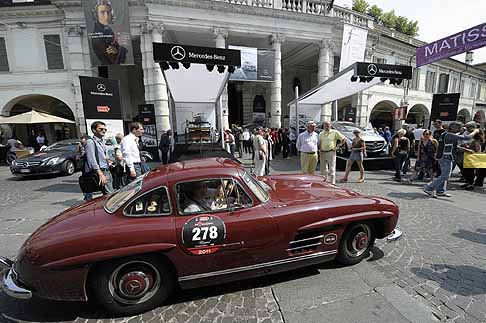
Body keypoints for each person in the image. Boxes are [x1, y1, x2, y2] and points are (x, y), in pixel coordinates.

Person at [423, 121, 479, 198]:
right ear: (452, 127)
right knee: (446, 175)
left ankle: (440, 190)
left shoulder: (445, 134)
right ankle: (429, 188)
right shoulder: (450, 135)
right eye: (458, 127)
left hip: (444, 156)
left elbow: (453, 147)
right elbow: (466, 137)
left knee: (444, 174)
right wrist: (476, 131)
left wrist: (466, 150)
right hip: (445, 157)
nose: (460, 129)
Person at [91, 0, 128, 65]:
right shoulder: (97, 37)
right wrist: (118, 50)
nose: (106, 16)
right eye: (102, 12)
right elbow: (113, 60)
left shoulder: (109, 29)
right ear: (96, 15)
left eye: (108, 12)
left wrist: (118, 50)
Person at [83, 121, 113, 199]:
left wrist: (108, 160)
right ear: (94, 130)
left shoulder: (101, 141)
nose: (103, 131)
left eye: (105, 129)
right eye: (101, 129)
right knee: (110, 195)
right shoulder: (90, 142)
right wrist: (100, 174)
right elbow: (91, 160)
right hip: (100, 171)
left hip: (106, 170)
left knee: (108, 194)